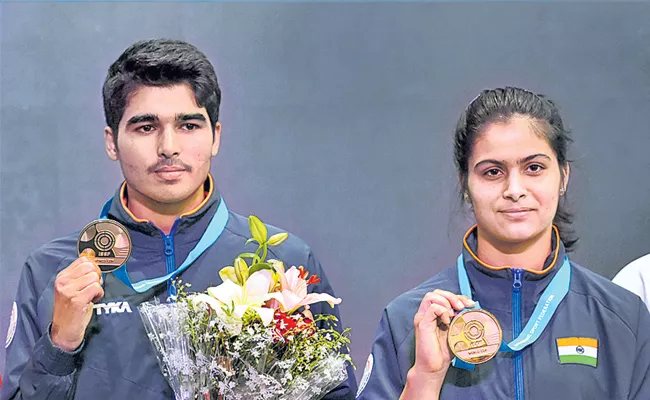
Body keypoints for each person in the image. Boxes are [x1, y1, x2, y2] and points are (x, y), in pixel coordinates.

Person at [1, 39, 356, 400]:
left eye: (188, 126)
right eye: (145, 127)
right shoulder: (54, 272)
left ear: (215, 137)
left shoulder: (285, 265)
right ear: (112, 142)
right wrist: (60, 345)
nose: (168, 146)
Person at [356, 87, 650, 400]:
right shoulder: (409, 321)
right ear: (465, 184)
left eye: (534, 168)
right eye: (493, 172)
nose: (514, 189)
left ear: (563, 177)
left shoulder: (623, 318)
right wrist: (424, 380)